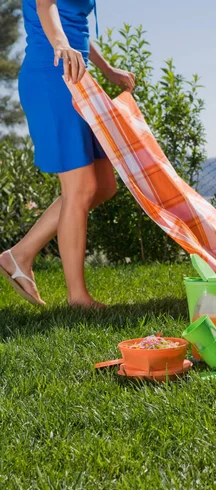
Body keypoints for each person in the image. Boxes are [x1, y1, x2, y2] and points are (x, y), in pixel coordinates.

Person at [0, 0, 135, 308]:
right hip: (51, 76)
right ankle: (77, 297)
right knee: (81, 187)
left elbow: (72, 22)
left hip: (76, 78)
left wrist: (108, 69)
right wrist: (61, 45)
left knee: (103, 186)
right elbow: (45, 5)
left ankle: (19, 255)